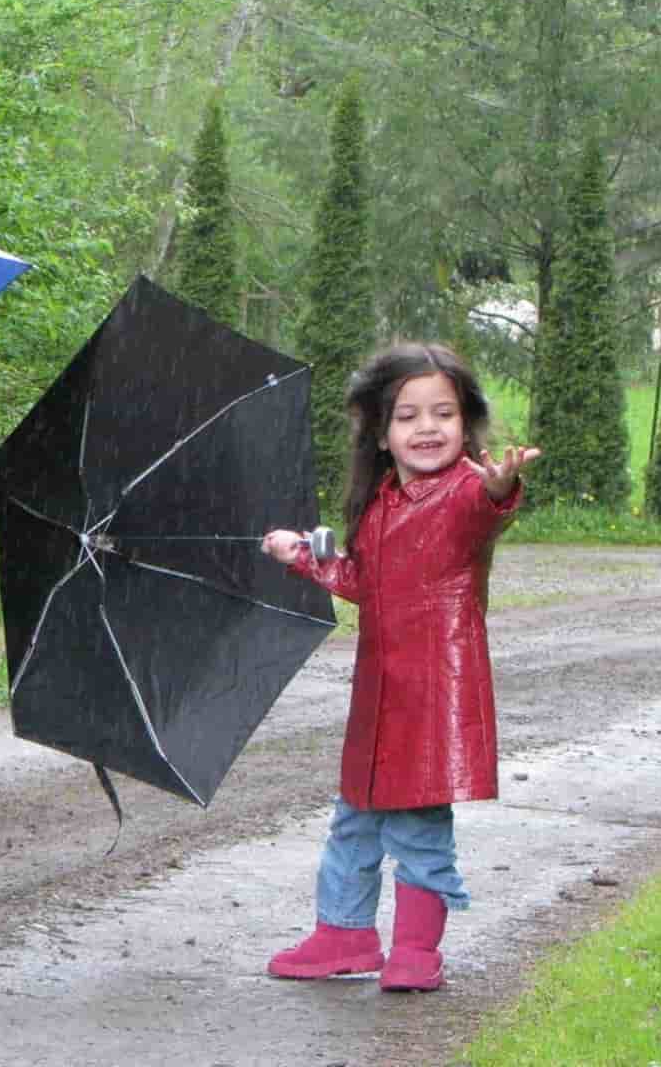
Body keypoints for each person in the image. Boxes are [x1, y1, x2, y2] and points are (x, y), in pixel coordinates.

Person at [259, 343, 539, 992]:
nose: (427, 428)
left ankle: (417, 949)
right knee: (355, 813)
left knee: (416, 821)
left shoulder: (466, 491)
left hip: (434, 697)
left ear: (466, 427)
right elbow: (363, 581)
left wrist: (501, 484)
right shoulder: (384, 502)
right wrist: (303, 554)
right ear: (382, 435)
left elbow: (486, 506)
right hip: (379, 697)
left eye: (443, 413)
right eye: (408, 416)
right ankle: (345, 932)